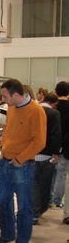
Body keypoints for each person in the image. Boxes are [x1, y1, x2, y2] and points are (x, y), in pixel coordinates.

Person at [0, 78, 46, 243]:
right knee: (2, 201)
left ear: (16, 94)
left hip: (22, 165)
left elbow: (39, 141)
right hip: (6, 162)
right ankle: (7, 234)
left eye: (5, 96)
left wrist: (20, 158)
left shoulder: (36, 111)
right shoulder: (12, 108)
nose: (3, 99)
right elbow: (8, 129)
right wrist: (4, 144)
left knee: (24, 207)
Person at [33, 92, 61, 224]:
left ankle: (32, 212)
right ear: (54, 104)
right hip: (46, 155)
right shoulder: (54, 114)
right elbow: (55, 135)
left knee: (31, 185)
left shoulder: (33, 110)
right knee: (44, 186)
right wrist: (55, 153)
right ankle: (39, 210)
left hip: (30, 155)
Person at [50, 81, 69, 214]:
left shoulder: (53, 108)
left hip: (53, 145)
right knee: (62, 174)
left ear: (56, 91)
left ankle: (51, 199)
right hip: (66, 145)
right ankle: (56, 201)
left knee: (53, 173)